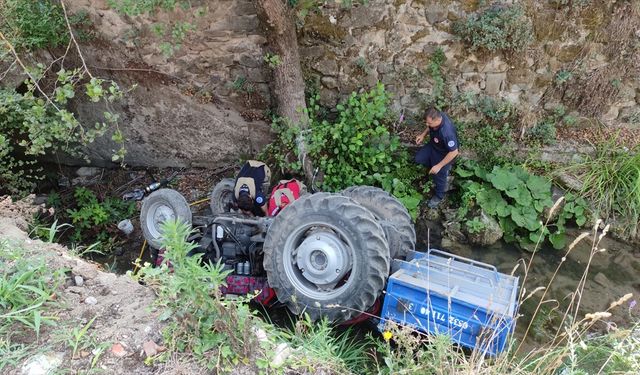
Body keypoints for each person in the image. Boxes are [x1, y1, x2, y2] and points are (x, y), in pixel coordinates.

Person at [415, 108, 459, 209]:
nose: (427, 125)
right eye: (426, 122)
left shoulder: (447, 133)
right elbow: (429, 127)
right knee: (418, 159)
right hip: (434, 146)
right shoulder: (437, 116)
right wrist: (423, 135)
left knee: (439, 176)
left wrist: (439, 166)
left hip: (444, 154)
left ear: (437, 120)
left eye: (429, 123)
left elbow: (454, 152)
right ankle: (433, 166)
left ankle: (439, 196)